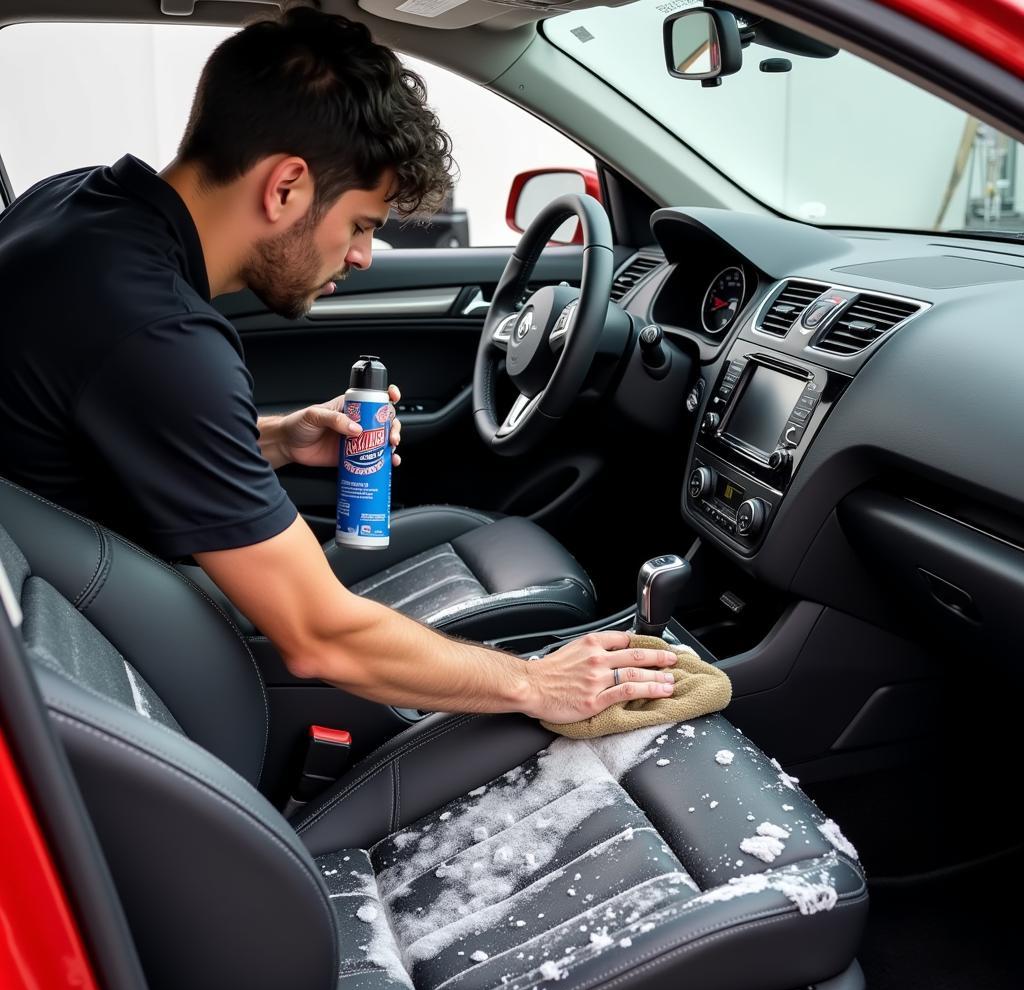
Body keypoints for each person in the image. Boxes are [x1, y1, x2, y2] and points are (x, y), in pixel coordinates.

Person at [0, 4, 677, 723]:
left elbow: (95, 431)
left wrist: (279, 438)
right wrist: (539, 683)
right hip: (141, 661)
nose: (360, 257)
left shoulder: (73, 206)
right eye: (360, 224)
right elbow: (320, 638)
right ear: (285, 186)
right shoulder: (160, 337)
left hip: (104, 600)